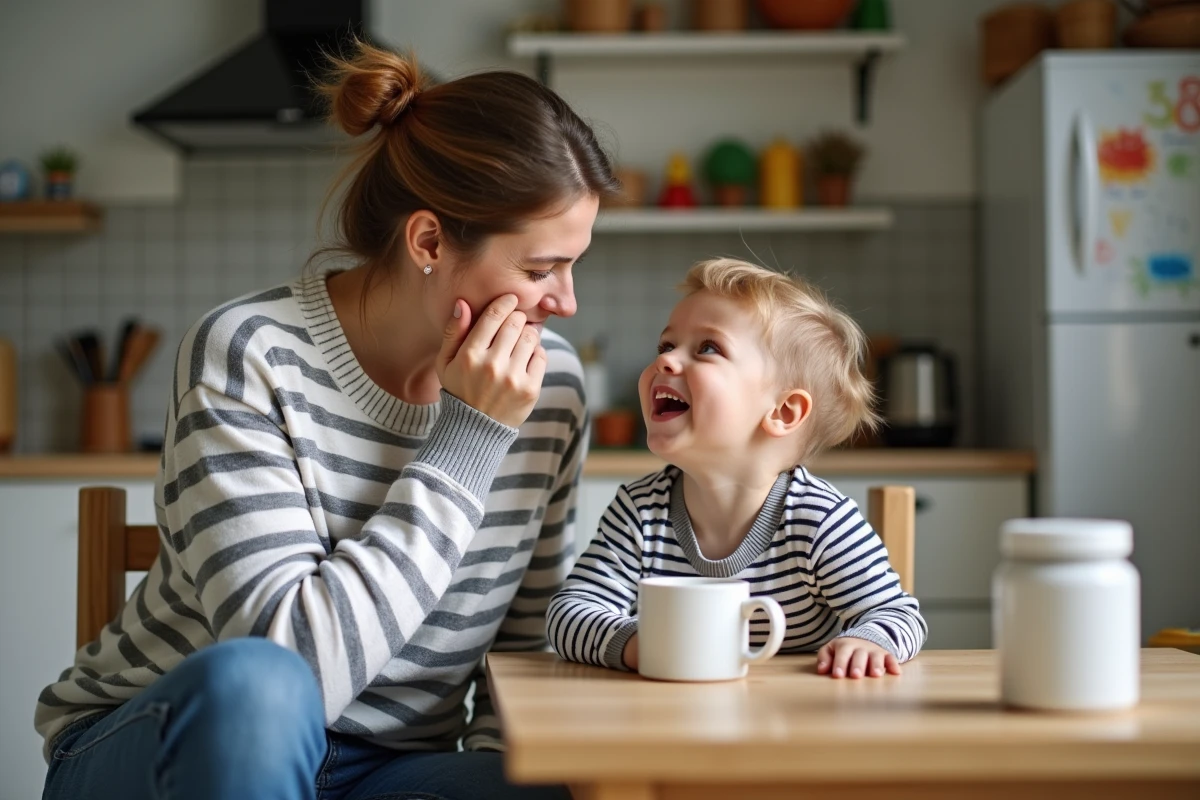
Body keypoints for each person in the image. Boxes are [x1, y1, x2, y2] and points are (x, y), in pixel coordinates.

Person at [37, 40, 618, 800]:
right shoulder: (251, 354)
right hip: (181, 746)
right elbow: (292, 676)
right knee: (258, 690)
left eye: (574, 265)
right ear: (429, 241)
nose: (566, 302)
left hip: (392, 769)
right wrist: (469, 441)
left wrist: (490, 774)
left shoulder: (553, 385)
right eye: (540, 269)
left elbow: (525, 644)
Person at [548, 258, 927, 679]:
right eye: (666, 345)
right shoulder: (640, 511)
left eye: (708, 348)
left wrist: (868, 641)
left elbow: (897, 615)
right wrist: (648, 646)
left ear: (783, 412)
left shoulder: (817, 520)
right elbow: (569, 615)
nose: (666, 361)